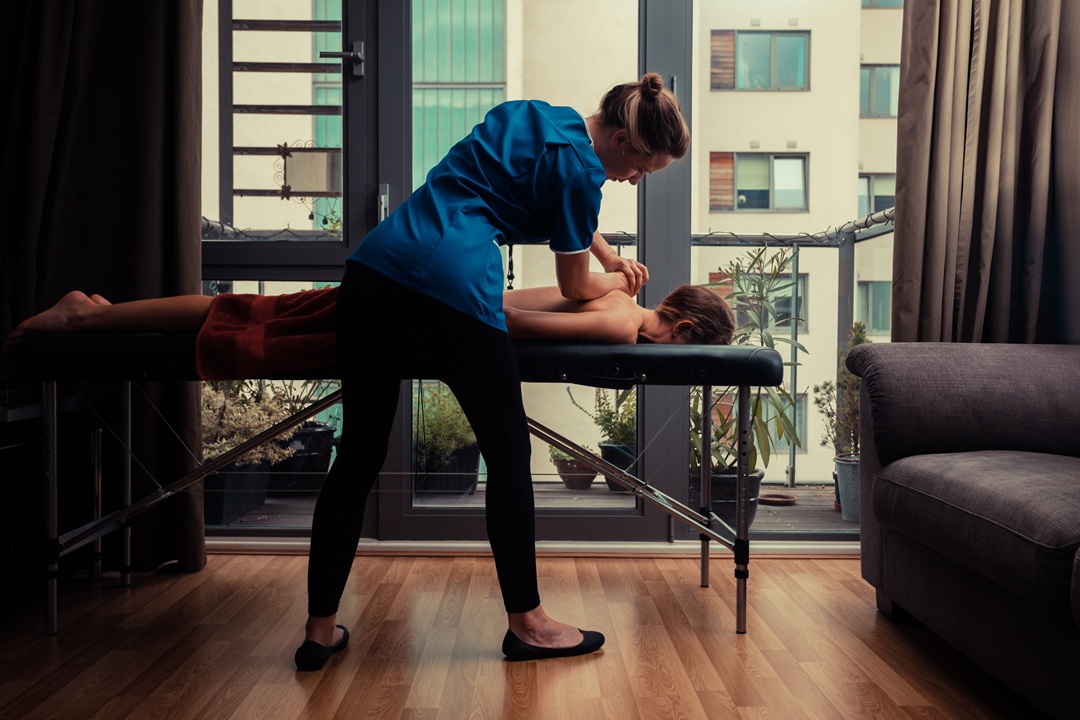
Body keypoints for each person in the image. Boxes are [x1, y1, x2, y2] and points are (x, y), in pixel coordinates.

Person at [7, 73, 693, 671]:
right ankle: (529, 625)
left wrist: (602, 250)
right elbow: (573, 280)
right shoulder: (582, 175)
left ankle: (318, 631)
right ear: (626, 143)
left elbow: (546, 193)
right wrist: (608, 282)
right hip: (451, 289)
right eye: (642, 170)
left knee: (357, 455)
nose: (631, 180)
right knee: (509, 458)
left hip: (377, 268)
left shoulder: (535, 116)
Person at [2, 282, 734, 359]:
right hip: (416, 324)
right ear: (682, 330)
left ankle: (98, 313)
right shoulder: (613, 327)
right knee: (250, 325)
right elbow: (504, 332)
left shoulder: (608, 297)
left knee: (252, 306)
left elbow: (508, 301)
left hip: (418, 293)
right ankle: (85, 323)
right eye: (689, 348)